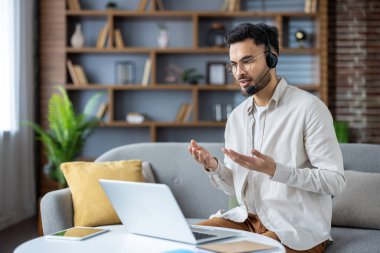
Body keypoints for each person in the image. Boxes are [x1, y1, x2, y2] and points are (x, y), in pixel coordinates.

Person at [188, 23, 346, 253]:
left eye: (247, 61)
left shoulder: (309, 108)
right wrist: (214, 168)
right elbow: (235, 188)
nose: (239, 72)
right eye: (233, 64)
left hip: (294, 226)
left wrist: (275, 170)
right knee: (189, 242)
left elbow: (335, 181)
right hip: (248, 220)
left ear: (272, 57)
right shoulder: (236, 117)